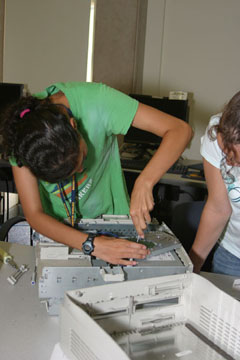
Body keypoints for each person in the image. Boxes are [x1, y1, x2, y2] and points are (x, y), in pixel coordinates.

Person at [1, 81, 192, 265]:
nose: (82, 170)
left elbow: (179, 130)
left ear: (74, 125)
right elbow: (34, 214)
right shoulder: (23, 139)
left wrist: (145, 182)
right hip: (60, 232)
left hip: (116, 221)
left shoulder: (97, 101)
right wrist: (92, 245)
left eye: (82, 158)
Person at [189, 90, 240, 276]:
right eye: (226, 153)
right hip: (232, 254)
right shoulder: (217, 129)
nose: (230, 164)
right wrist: (192, 267)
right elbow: (219, 208)